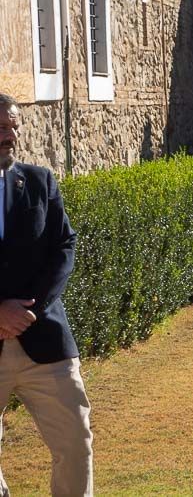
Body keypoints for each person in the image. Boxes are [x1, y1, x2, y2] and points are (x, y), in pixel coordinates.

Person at [0, 92, 93, 496]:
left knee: (75, 445)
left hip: (45, 341)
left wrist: (30, 311)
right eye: (3, 127)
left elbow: (64, 247)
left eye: (14, 126)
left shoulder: (39, 181)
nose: (11, 136)